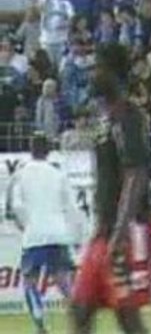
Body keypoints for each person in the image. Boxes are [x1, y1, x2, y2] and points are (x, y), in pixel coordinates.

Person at [72, 44, 151, 334]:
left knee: (126, 313)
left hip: (128, 228)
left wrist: (120, 231)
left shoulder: (128, 116)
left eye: (98, 67)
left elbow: (136, 174)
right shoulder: (104, 119)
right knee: (80, 308)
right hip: (106, 228)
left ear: (112, 73)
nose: (92, 73)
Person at [7, 133, 80, 334]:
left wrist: (27, 224)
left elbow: (16, 205)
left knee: (30, 280)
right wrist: (75, 236)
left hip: (35, 236)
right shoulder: (58, 174)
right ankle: (79, 322)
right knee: (64, 283)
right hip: (59, 235)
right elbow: (71, 207)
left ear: (31, 150)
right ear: (48, 151)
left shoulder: (21, 174)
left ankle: (41, 324)